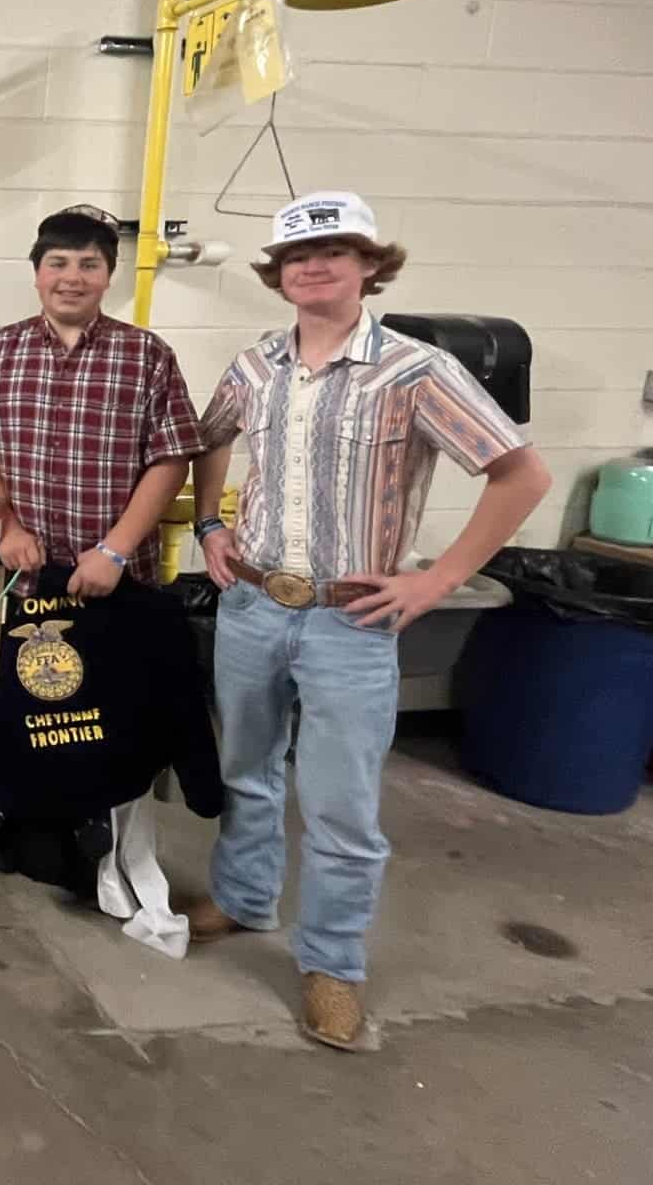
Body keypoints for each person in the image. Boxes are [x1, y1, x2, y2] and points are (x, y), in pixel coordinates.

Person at [188, 191, 550, 1051]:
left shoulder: (415, 371)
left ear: (369, 267)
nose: (314, 268)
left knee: (341, 804)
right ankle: (243, 900)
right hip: (252, 601)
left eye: (335, 252)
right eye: (297, 258)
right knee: (246, 770)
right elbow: (208, 437)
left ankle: (333, 965)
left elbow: (520, 474)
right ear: (278, 277)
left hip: (350, 621)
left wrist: (437, 582)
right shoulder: (254, 366)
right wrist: (209, 523)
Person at [0, 205, 204, 596]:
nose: (72, 278)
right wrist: (7, 524)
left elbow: (172, 459)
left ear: (109, 276)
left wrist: (115, 550)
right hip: (22, 573)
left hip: (118, 575)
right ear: (38, 275)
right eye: (57, 263)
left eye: (89, 265)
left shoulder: (147, 355)